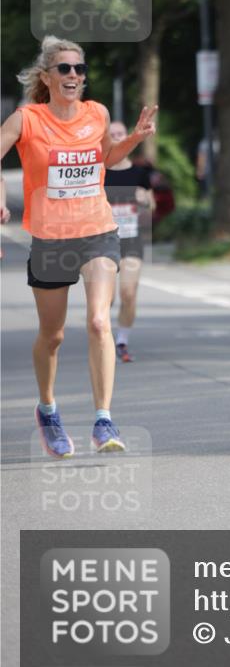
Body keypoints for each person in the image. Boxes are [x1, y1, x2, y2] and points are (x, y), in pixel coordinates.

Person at [0, 35, 157, 457]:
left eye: (80, 69)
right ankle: (48, 410)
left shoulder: (97, 113)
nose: (74, 76)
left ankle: (104, 420)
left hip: (97, 231)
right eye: (65, 69)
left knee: (99, 323)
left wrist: (134, 139)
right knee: (52, 336)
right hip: (50, 238)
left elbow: (104, 159)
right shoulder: (26, 119)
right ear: (47, 76)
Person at [104, 122, 156, 363]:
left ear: (127, 138)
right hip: (103, 241)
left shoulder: (139, 173)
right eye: (111, 135)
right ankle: (102, 337)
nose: (116, 138)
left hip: (132, 240)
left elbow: (151, 204)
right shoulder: (99, 171)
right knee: (107, 297)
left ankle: (122, 341)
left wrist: (144, 199)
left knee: (128, 293)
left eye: (120, 134)